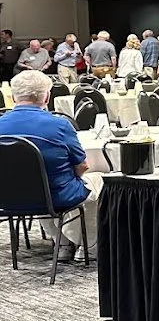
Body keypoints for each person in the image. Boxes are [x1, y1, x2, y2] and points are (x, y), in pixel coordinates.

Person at [0, 70, 103, 263]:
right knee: (97, 181)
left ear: (13, 96)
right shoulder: (59, 125)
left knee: (35, 183)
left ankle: (62, 242)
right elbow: (82, 166)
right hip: (55, 197)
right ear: (47, 96)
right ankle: (89, 246)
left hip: (7, 199)